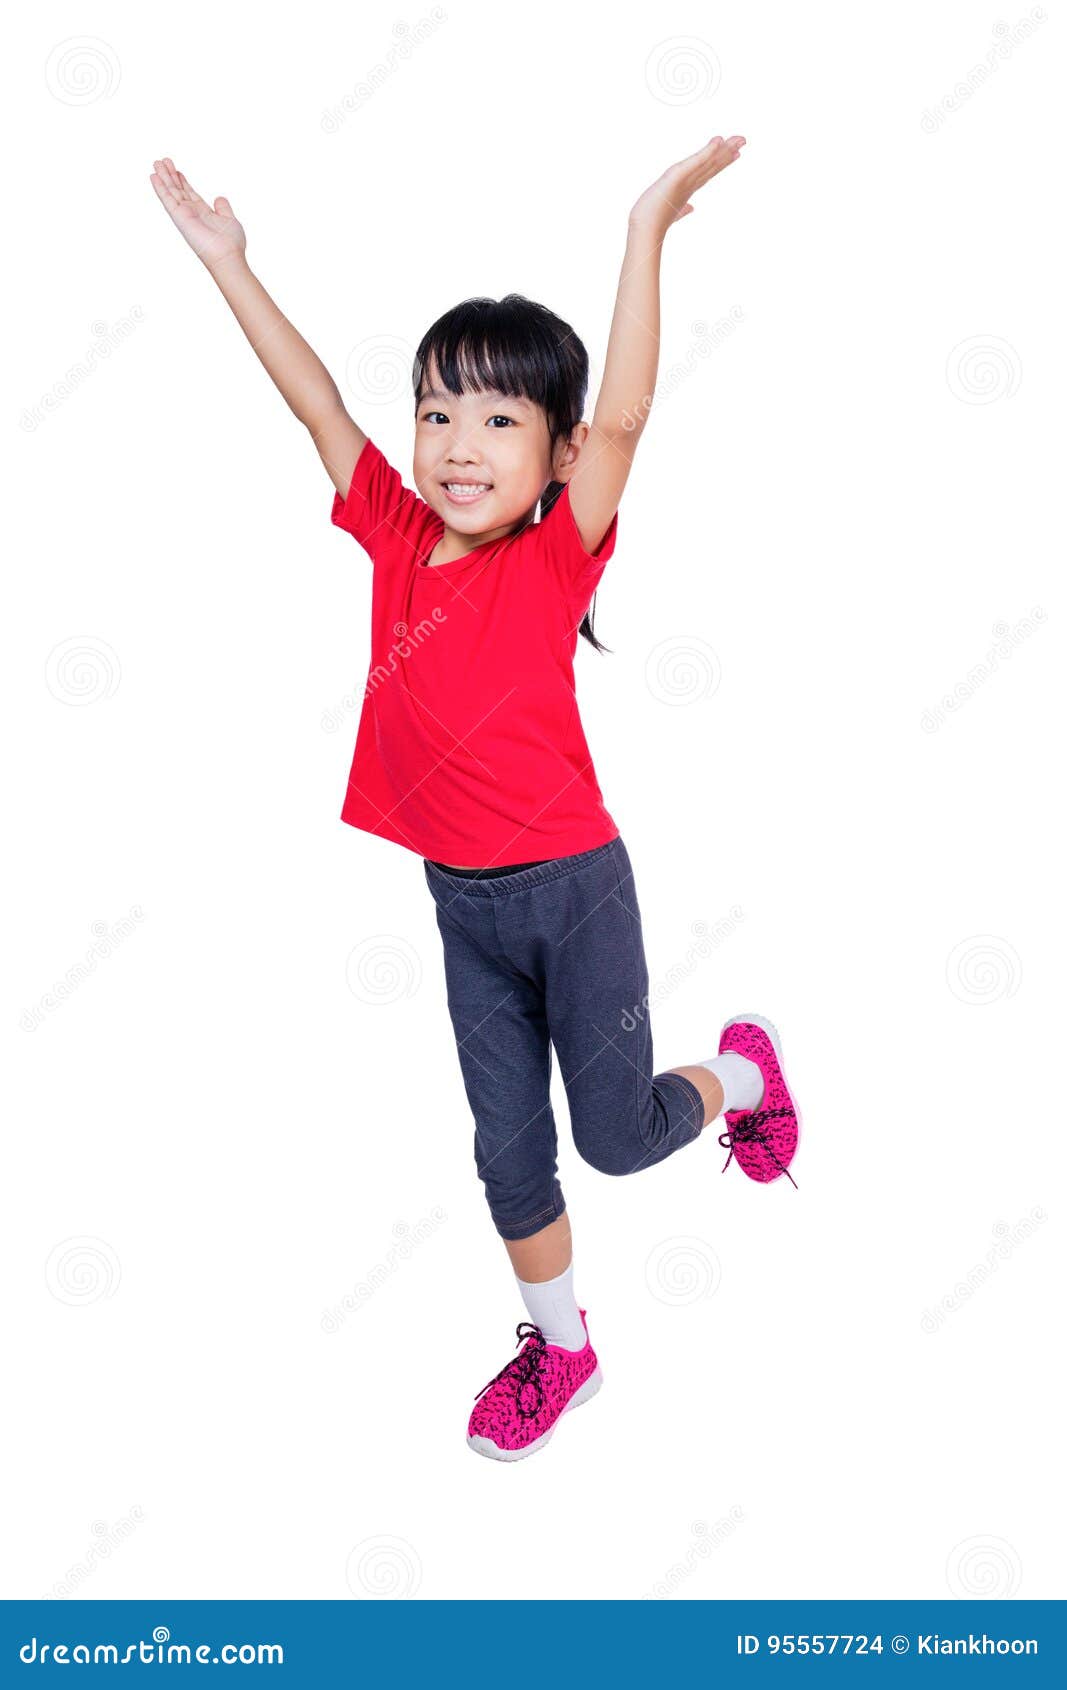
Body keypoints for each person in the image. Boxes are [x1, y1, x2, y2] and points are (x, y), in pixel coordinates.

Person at [150, 135, 801, 1463]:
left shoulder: (555, 553)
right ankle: (564, 1349)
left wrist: (645, 229)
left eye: (500, 420)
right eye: (440, 410)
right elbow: (316, 407)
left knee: (616, 1143)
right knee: (507, 1151)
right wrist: (232, 266)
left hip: (576, 893)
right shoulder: (394, 534)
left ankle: (740, 1069)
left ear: (556, 460)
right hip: (463, 906)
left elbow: (622, 415)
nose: (457, 442)